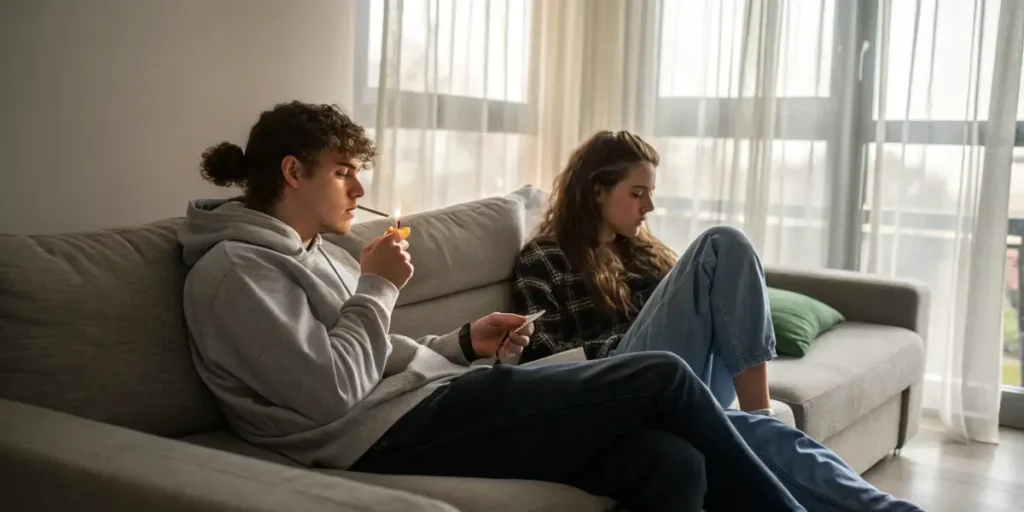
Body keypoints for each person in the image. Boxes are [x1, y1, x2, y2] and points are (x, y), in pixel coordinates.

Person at [177, 101, 805, 512]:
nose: (360, 188)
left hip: (429, 399)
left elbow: (374, 355)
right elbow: (330, 390)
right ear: (292, 171)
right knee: (662, 374)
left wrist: (462, 342)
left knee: (671, 462)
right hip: (386, 435)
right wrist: (379, 288)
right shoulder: (237, 271)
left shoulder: (319, 251)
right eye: (344, 171)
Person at [512, 130, 924, 512]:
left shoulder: (645, 254)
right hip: (621, 387)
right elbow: (545, 362)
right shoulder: (543, 258)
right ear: (596, 192)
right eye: (637, 193)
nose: (649, 208)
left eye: (651, 193)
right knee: (722, 244)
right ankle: (759, 416)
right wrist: (627, 345)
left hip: (681, 386)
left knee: (769, 436)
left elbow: (705, 315)